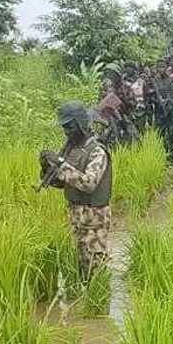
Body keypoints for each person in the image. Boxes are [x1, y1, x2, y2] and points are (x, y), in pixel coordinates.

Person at [39, 102, 113, 283]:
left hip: (94, 218)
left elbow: (89, 183)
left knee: (96, 269)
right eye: (64, 127)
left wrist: (61, 165)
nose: (67, 131)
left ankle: (98, 307)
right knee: (81, 268)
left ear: (80, 123)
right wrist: (47, 168)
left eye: (70, 126)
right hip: (77, 217)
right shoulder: (71, 149)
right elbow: (63, 183)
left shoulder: (97, 151)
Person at [152, 55, 173, 164]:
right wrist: (158, 101)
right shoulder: (155, 81)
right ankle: (165, 157)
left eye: (162, 66)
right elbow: (154, 96)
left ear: (167, 67)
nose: (160, 69)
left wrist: (167, 103)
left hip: (172, 113)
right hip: (160, 114)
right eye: (158, 67)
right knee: (161, 136)